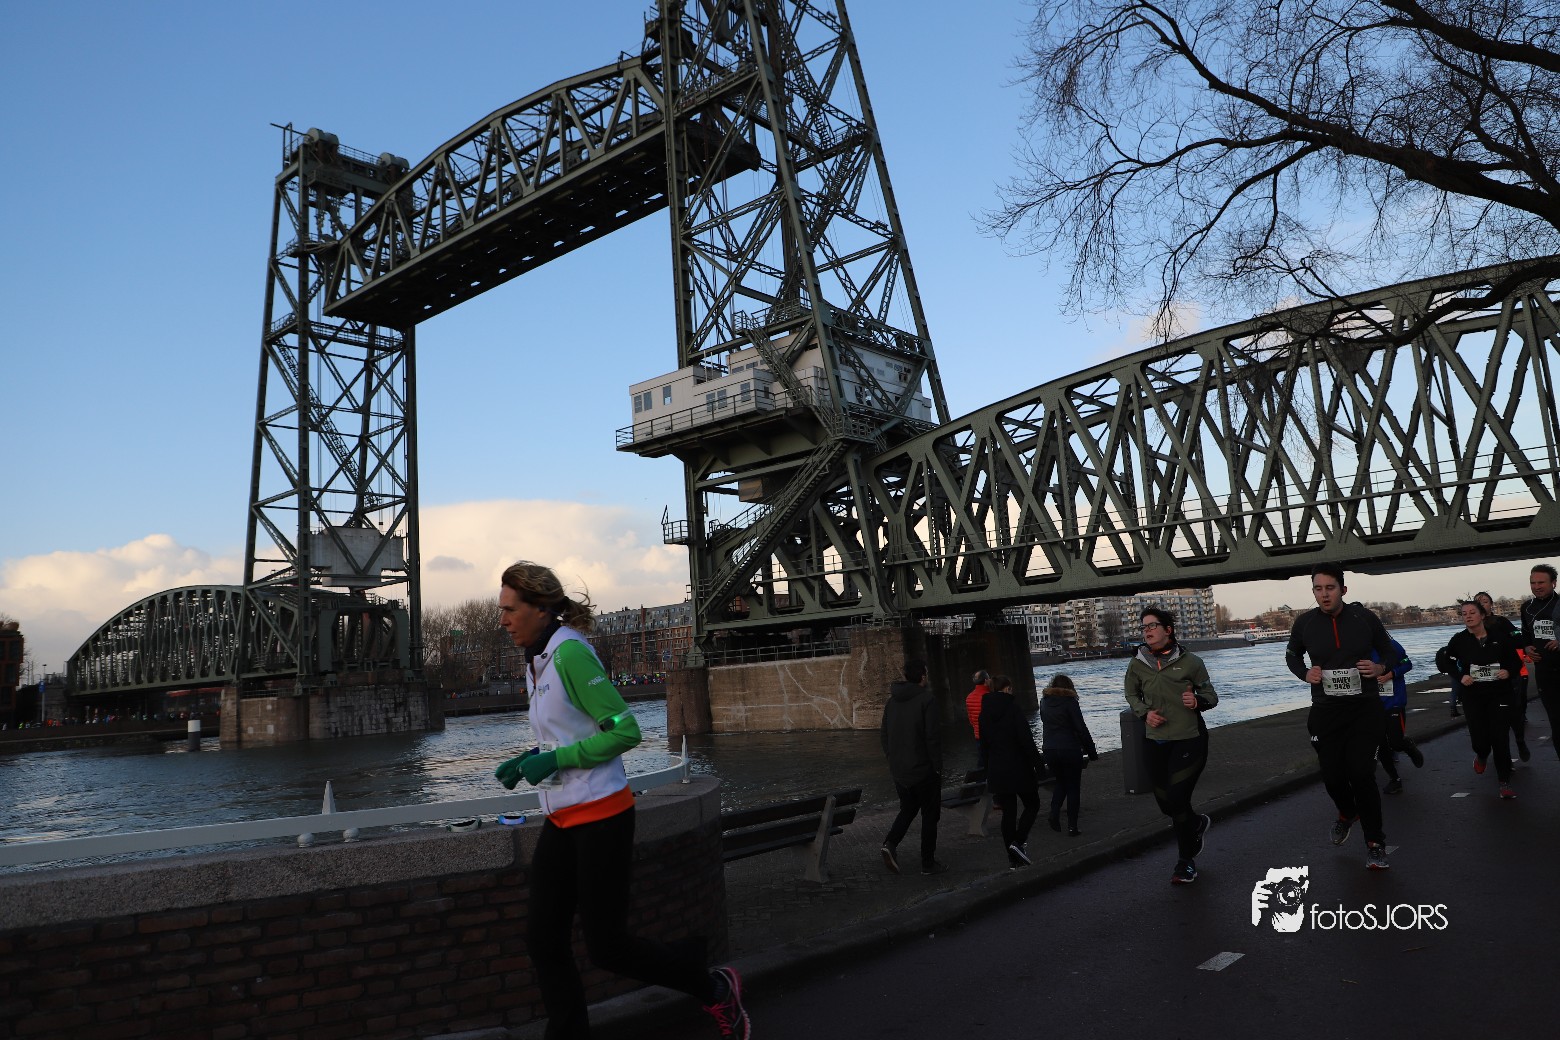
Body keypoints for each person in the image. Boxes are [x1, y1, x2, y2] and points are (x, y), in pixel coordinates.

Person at [491, 561, 749, 1040]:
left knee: (608, 949)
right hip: (562, 818)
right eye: (501, 609)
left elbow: (624, 731)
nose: (502, 620)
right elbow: (568, 732)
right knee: (543, 940)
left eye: (510, 609)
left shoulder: (569, 654)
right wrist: (531, 758)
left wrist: (557, 759)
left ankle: (713, 987)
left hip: (601, 817)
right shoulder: (536, 658)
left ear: (541, 609)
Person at [1285, 564, 1396, 871]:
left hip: (1364, 709)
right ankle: (1347, 812)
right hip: (1326, 711)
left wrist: (1380, 668)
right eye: (1318, 589)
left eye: (1330, 588)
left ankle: (1375, 844)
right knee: (1332, 776)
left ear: (1343, 590)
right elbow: (1292, 655)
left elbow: (1390, 652)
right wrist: (1305, 673)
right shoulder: (1305, 623)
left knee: (1361, 774)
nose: (1324, 594)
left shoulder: (1364, 618)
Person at [1124, 608, 1217, 884]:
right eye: (1144, 627)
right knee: (1166, 805)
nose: (1147, 631)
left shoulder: (1192, 662)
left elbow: (1211, 695)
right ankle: (1197, 823)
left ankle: (1185, 862)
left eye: (1152, 626)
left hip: (1189, 739)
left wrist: (1197, 701)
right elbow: (1131, 694)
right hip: (1155, 742)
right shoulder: (1137, 664)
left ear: (1168, 630)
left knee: (1177, 800)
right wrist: (1144, 713)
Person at [1437, 599, 1523, 799]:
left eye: (1472, 612)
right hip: (1473, 696)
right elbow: (1446, 663)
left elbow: (1515, 662)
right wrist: (1461, 676)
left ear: (1482, 615)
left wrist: (1508, 672)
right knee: (1480, 739)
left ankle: (1504, 782)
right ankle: (1482, 755)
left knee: (1500, 739)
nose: (1468, 616)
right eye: (1464, 613)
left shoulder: (1500, 638)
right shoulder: (1459, 640)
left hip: (1499, 694)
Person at [880, 658, 947, 875]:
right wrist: (937, 767)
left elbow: (884, 735)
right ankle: (928, 863)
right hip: (924, 770)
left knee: (908, 808)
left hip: (900, 771)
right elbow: (932, 737)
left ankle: (890, 843)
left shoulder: (891, 702)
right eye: (926, 673)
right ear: (922, 676)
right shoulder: (927, 700)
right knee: (930, 815)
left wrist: (892, 759)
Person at [979, 674, 1044, 868]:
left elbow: (984, 747)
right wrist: (1038, 765)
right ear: (1007, 688)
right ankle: (1018, 842)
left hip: (998, 770)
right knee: (1032, 804)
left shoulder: (984, 713)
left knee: (1008, 813)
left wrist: (987, 770)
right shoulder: (1013, 709)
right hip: (1019, 767)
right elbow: (1026, 740)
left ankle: (1012, 858)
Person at [1041, 673, 1097, 839]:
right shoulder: (1070, 702)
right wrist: (1091, 751)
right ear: (1069, 687)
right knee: (1073, 786)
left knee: (1061, 782)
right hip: (1069, 748)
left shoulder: (1044, 702)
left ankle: (1054, 812)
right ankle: (1072, 826)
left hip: (1050, 749)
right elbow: (1080, 728)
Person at [1476, 590, 1529, 761]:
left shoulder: (1501, 622)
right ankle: (1501, 755)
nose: (1482, 604)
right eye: (1478, 602)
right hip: (1485, 677)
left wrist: (1504, 646)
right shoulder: (1472, 627)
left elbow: (1518, 638)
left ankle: (1520, 741)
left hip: (1507, 673)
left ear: (1491, 605)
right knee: (1492, 718)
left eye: (1485, 601)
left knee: (1514, 711)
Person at [1374, 637, 1424, 795]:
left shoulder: (1391, 645)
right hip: (1372, 706)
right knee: (1380, 746)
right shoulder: (1358, 648)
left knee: (1395, 742)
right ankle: (1394, 779)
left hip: (1394, 702)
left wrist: (1391, 674)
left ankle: (1407, 745)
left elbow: (1407, 664)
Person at [1520, 564, 1560, 761]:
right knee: (1556, 722)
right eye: (1533, 583)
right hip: (1545, 673)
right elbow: (1525, 635)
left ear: (1553, 583)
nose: (1536, 586)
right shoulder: (1526, 607)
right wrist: (1527, 648)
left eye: (1541, 582)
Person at [965, 669, 992, 767]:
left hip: (978, 735)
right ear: (985, 681)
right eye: (989, 678)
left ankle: (981, 776)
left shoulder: (969, 697)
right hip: (991, 735)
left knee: (982, 760)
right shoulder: (990, 697)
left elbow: (971, 720)